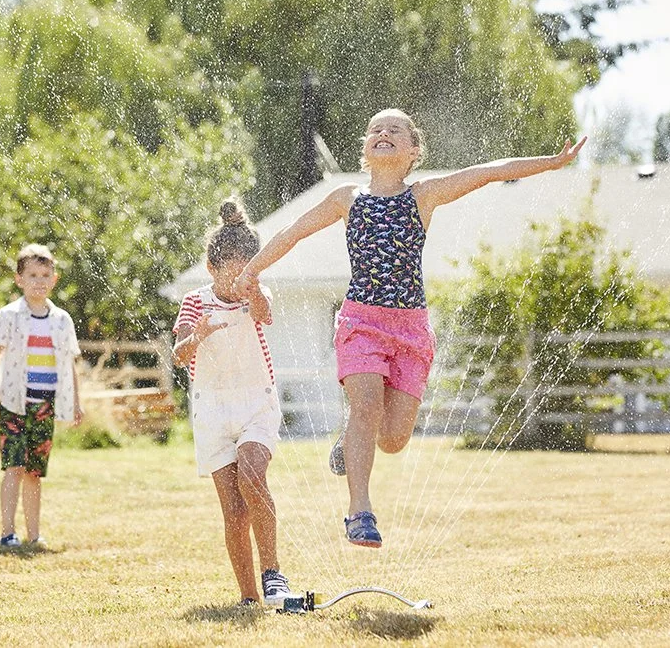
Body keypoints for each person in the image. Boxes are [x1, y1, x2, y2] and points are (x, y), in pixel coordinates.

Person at [235, 108, 586, 547]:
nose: (383, 132)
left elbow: (486, 173)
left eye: (395, 129)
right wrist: (252, 269)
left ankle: (351, 438)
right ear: (365, 148)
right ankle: (359, 512)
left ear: (414, 150)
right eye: (375, 129)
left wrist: (550, 163)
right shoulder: (347, 198)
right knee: (366, 406)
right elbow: (294, 230)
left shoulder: (424, 195)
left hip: (410, 329)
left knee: (393, 439)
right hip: (361, 320)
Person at [172, 199, 293, 607]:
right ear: (211, 268)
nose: (241, 279)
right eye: (234, 272)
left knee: (253, 477)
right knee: (235, 510)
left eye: (249, 271)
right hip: (212, 411)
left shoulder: (256, 294)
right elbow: (179, 355)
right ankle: (248, 596)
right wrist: (198, 336)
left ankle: (273, 574)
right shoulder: (194, 301)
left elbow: (265, 315)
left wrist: (252, 286)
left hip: (256, 403)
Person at [0, 244, 83, 549]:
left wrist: (76, 403)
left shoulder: (61, 320)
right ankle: (7, 532)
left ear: (54, 279)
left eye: (45, 275)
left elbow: (70, 364)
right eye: (32, 275)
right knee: (14, 466)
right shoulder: (8, 316)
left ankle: (34, 534)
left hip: (45, 405)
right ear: (19, 279)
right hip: (14, 403)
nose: (39, 281)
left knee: (34, 472)